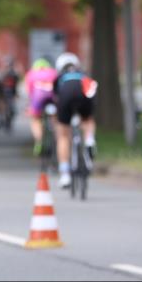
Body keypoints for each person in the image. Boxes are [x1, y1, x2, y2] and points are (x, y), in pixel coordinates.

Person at [52, 52, 97, 188]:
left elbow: (56, 99)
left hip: (66, 95)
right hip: (84, 92)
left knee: (63, 135)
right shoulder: (83, 74)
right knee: (87, 120)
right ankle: (89, 140)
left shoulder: (59, 78)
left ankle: (65, 174)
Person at [24, 57, 57, 156]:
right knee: (55, 117)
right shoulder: (53, 73)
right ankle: (57, 137)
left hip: (38, 98)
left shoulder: (31, 74)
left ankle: (39, 141)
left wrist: (31, 104)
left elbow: (30, 91)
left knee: (35, 119)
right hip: (53, 97)